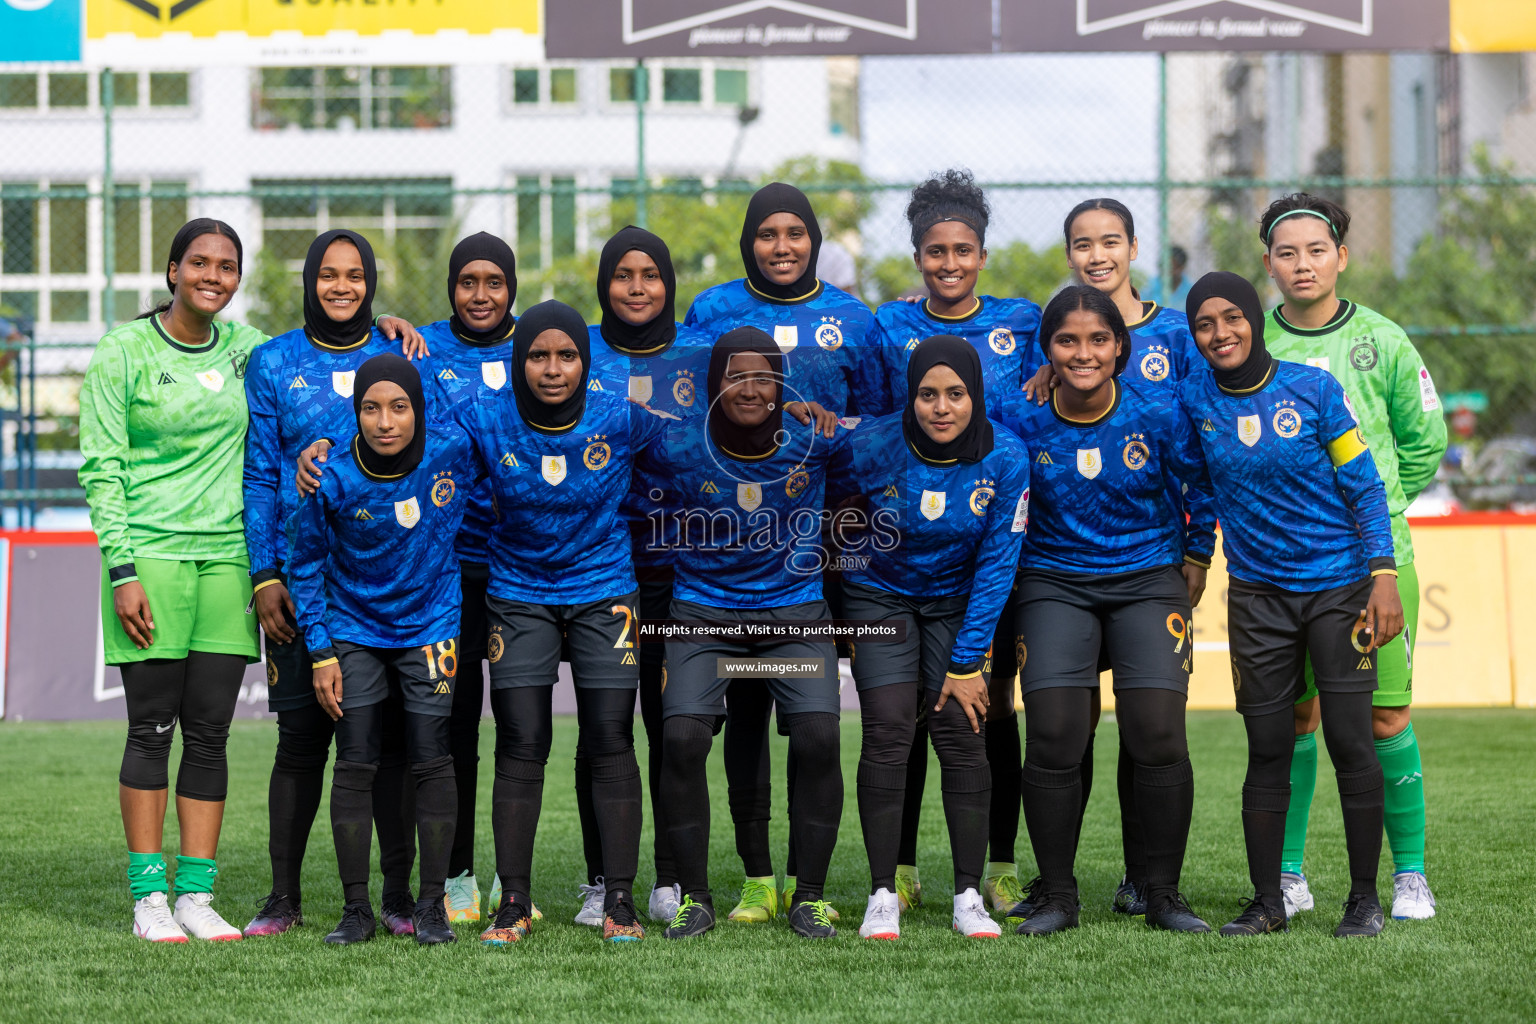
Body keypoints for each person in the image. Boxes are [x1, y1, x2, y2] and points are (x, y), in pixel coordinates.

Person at [685, 183, 887, 923]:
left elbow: (876, 425)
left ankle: (819, 882)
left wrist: (822, 424)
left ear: (813, 239)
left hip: (830, 538)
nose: (781, 246)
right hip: (740, 540)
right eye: (767, 233)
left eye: (795, 233)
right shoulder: (711, 313)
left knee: (814, 719)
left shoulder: (852, 319)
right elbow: (689, 409)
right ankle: (757, 876)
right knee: (742, 708)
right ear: (749, 241)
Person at [1179, 272, 1401, 938]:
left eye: (1232, 318)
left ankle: (1364, 900)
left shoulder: (1313, 389)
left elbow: (1363, 487)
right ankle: (1268, 901)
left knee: (1349, 741)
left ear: (1254, 318)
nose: (1221, 334)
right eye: (1205, 325)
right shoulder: (1193, 400)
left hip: (1338, 590)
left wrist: (1382, 575)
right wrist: (1196, 561)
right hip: (1257, 599)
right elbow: (1198, 494)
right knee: (1268, 747)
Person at [990, 286, 1216, 936]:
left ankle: (1162, 893)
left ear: (1120, 347)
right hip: (1054, 582)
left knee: (1159, 735)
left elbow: (1200, 481)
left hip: (1147, 579)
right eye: (1067, 340)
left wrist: (1197, 555)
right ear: (1048, 349)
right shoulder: (1020, 412)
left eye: (1097, 340)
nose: (1082, 353)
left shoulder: (1157, 410)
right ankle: (1059, 896)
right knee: (1057, 735)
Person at [1258, 194, 1447, 922]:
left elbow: (1423, 442)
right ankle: (1289, 874)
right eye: (1286, 252)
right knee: (1297, 716)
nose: (1302, 264)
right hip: (1280, 569)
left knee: (1385, 718)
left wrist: (1377, 510)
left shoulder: (1385, 341)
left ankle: (1410, 876)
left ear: (1342, 256)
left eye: (1315, 250)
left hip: (1374, 565)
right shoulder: (1251, 343)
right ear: (1269, 263)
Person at [80, 218, 264, 943]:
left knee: (212, 735)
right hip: (149, 559)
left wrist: (391, 327)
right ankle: (149, 899)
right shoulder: (123, 349)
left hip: (228, 561)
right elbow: (102, 465)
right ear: (172, 271)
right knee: (153, 730)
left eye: (226, 266)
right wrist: (121, 569)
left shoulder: (250, 350)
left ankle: (196, 894)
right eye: (199, 264)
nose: (212, 276)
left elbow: (327, 349)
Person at [638, 327, 854, 939]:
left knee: (816, 735)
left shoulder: (814, 439)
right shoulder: (680, 441)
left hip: (793, 615)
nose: (751, 388)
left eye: (765, 376)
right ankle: (696, 898)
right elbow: (608, 421)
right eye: (735, 376)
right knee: (680, 738)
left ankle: (807, 896)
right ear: (713, 384)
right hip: (704, 616)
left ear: (783, 385)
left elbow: (892, 435)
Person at [462, 299, 666, 946]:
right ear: (520, 361)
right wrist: (329, 449)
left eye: (568, 356)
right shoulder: (485, 420)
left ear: (586, 361)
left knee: (610, 737)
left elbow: (695, 445)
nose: (553, 369)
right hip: (519, 590)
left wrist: (796, 420)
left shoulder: (618, 417)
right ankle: (513, 904)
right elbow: (419, 452)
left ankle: (621, 901)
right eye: (539, 356)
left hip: (605, 589)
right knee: (521, 740)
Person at [242, 229, 425, 938]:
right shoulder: (273, 361)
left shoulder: (399, 353)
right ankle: (282, 897)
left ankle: (400, 896)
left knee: (389, 747)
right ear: (310, 280)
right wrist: (264, 574)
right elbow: (260, 474)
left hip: (386, 583)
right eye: (328, 274)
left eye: (355, 274)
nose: (341, 286)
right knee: (301, 742)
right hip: (302, 580)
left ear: (371, 282)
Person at [871, 169, 1041, 915]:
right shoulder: (891, 325)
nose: (949, 264)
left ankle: (999, 866)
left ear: (981, 252)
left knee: (989, 707)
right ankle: (900, 869)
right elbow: (879, 421)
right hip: (914, 545)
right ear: (917, 255)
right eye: (934, 251)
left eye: (963, 250)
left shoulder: (1025, 321)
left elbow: (1074, 366)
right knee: (905, 712)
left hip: (1006, 539)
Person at [826, 335, 1030, 940]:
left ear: (976, 395)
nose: (941, 407)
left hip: (957, 602)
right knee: (888, 728)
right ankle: (882, 893)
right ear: (911, 397)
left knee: (962, 731)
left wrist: (967, 663)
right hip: (879, 596)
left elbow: (998, 567)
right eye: (927, 394)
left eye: (956, 394)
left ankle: (969, 895)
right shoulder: (871, 443)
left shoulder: (1007, 457)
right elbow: (818, 489)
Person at [286, 354, 475, 946]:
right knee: (357, 759)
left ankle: (430, 906)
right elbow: (305, 563)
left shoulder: (454, 451)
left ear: (419, 411)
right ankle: (356, 910)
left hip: (432, 626)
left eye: (399, 407)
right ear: (356, 413)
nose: (385, 421)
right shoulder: (330, 475)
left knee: (431, 755)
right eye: (371, 408)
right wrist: (320, 653)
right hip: (354, 631)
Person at [402, 232, 518, 927]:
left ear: (512, 287)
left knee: (521, 724)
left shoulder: (540, 344)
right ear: (451, 287)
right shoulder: (423, 349)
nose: (480, 294)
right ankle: (457, 873)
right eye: (468, 281)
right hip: (448, 572)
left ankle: (515, 874)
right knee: (455, 725)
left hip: (523, 568)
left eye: (494, 282)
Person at [1146, 245, 1192, 312]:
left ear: (1181, 267)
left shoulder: (1190, 290)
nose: (1167, 272)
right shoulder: (1152, 286)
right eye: (1164, 267)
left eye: (1171, 267)